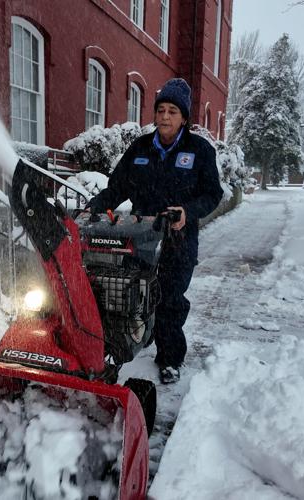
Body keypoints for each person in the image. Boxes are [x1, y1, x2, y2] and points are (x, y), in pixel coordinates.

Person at [85, 78, 223, 384]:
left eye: (172, 111)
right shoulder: (141, 147)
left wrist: (188, 211)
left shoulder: (199, 151)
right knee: (132, 293)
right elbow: (118, 186)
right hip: (141, 236)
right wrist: (94, 206)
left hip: (178, 240)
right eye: (161, 109)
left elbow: (213, 194)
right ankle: (125, 344)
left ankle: (170, 357)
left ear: (184, 117)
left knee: (170, 299)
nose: (164, 116)